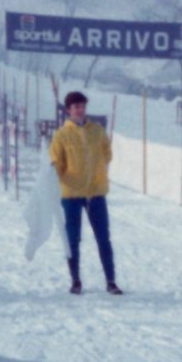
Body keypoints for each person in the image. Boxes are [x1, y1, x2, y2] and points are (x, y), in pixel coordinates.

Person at [49, 91, 123, 296]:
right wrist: (57, 171)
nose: (80, 110)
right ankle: (75, 280)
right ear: (68, 110)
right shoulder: (62, 135)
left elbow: (107, 153)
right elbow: (56, 160)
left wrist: (98, 172)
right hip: (71, 193)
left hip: (95, 192)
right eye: (75, 107)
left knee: (103, 237)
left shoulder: (97, 131)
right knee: (73, 239)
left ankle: (111, 280)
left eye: (82, 106)